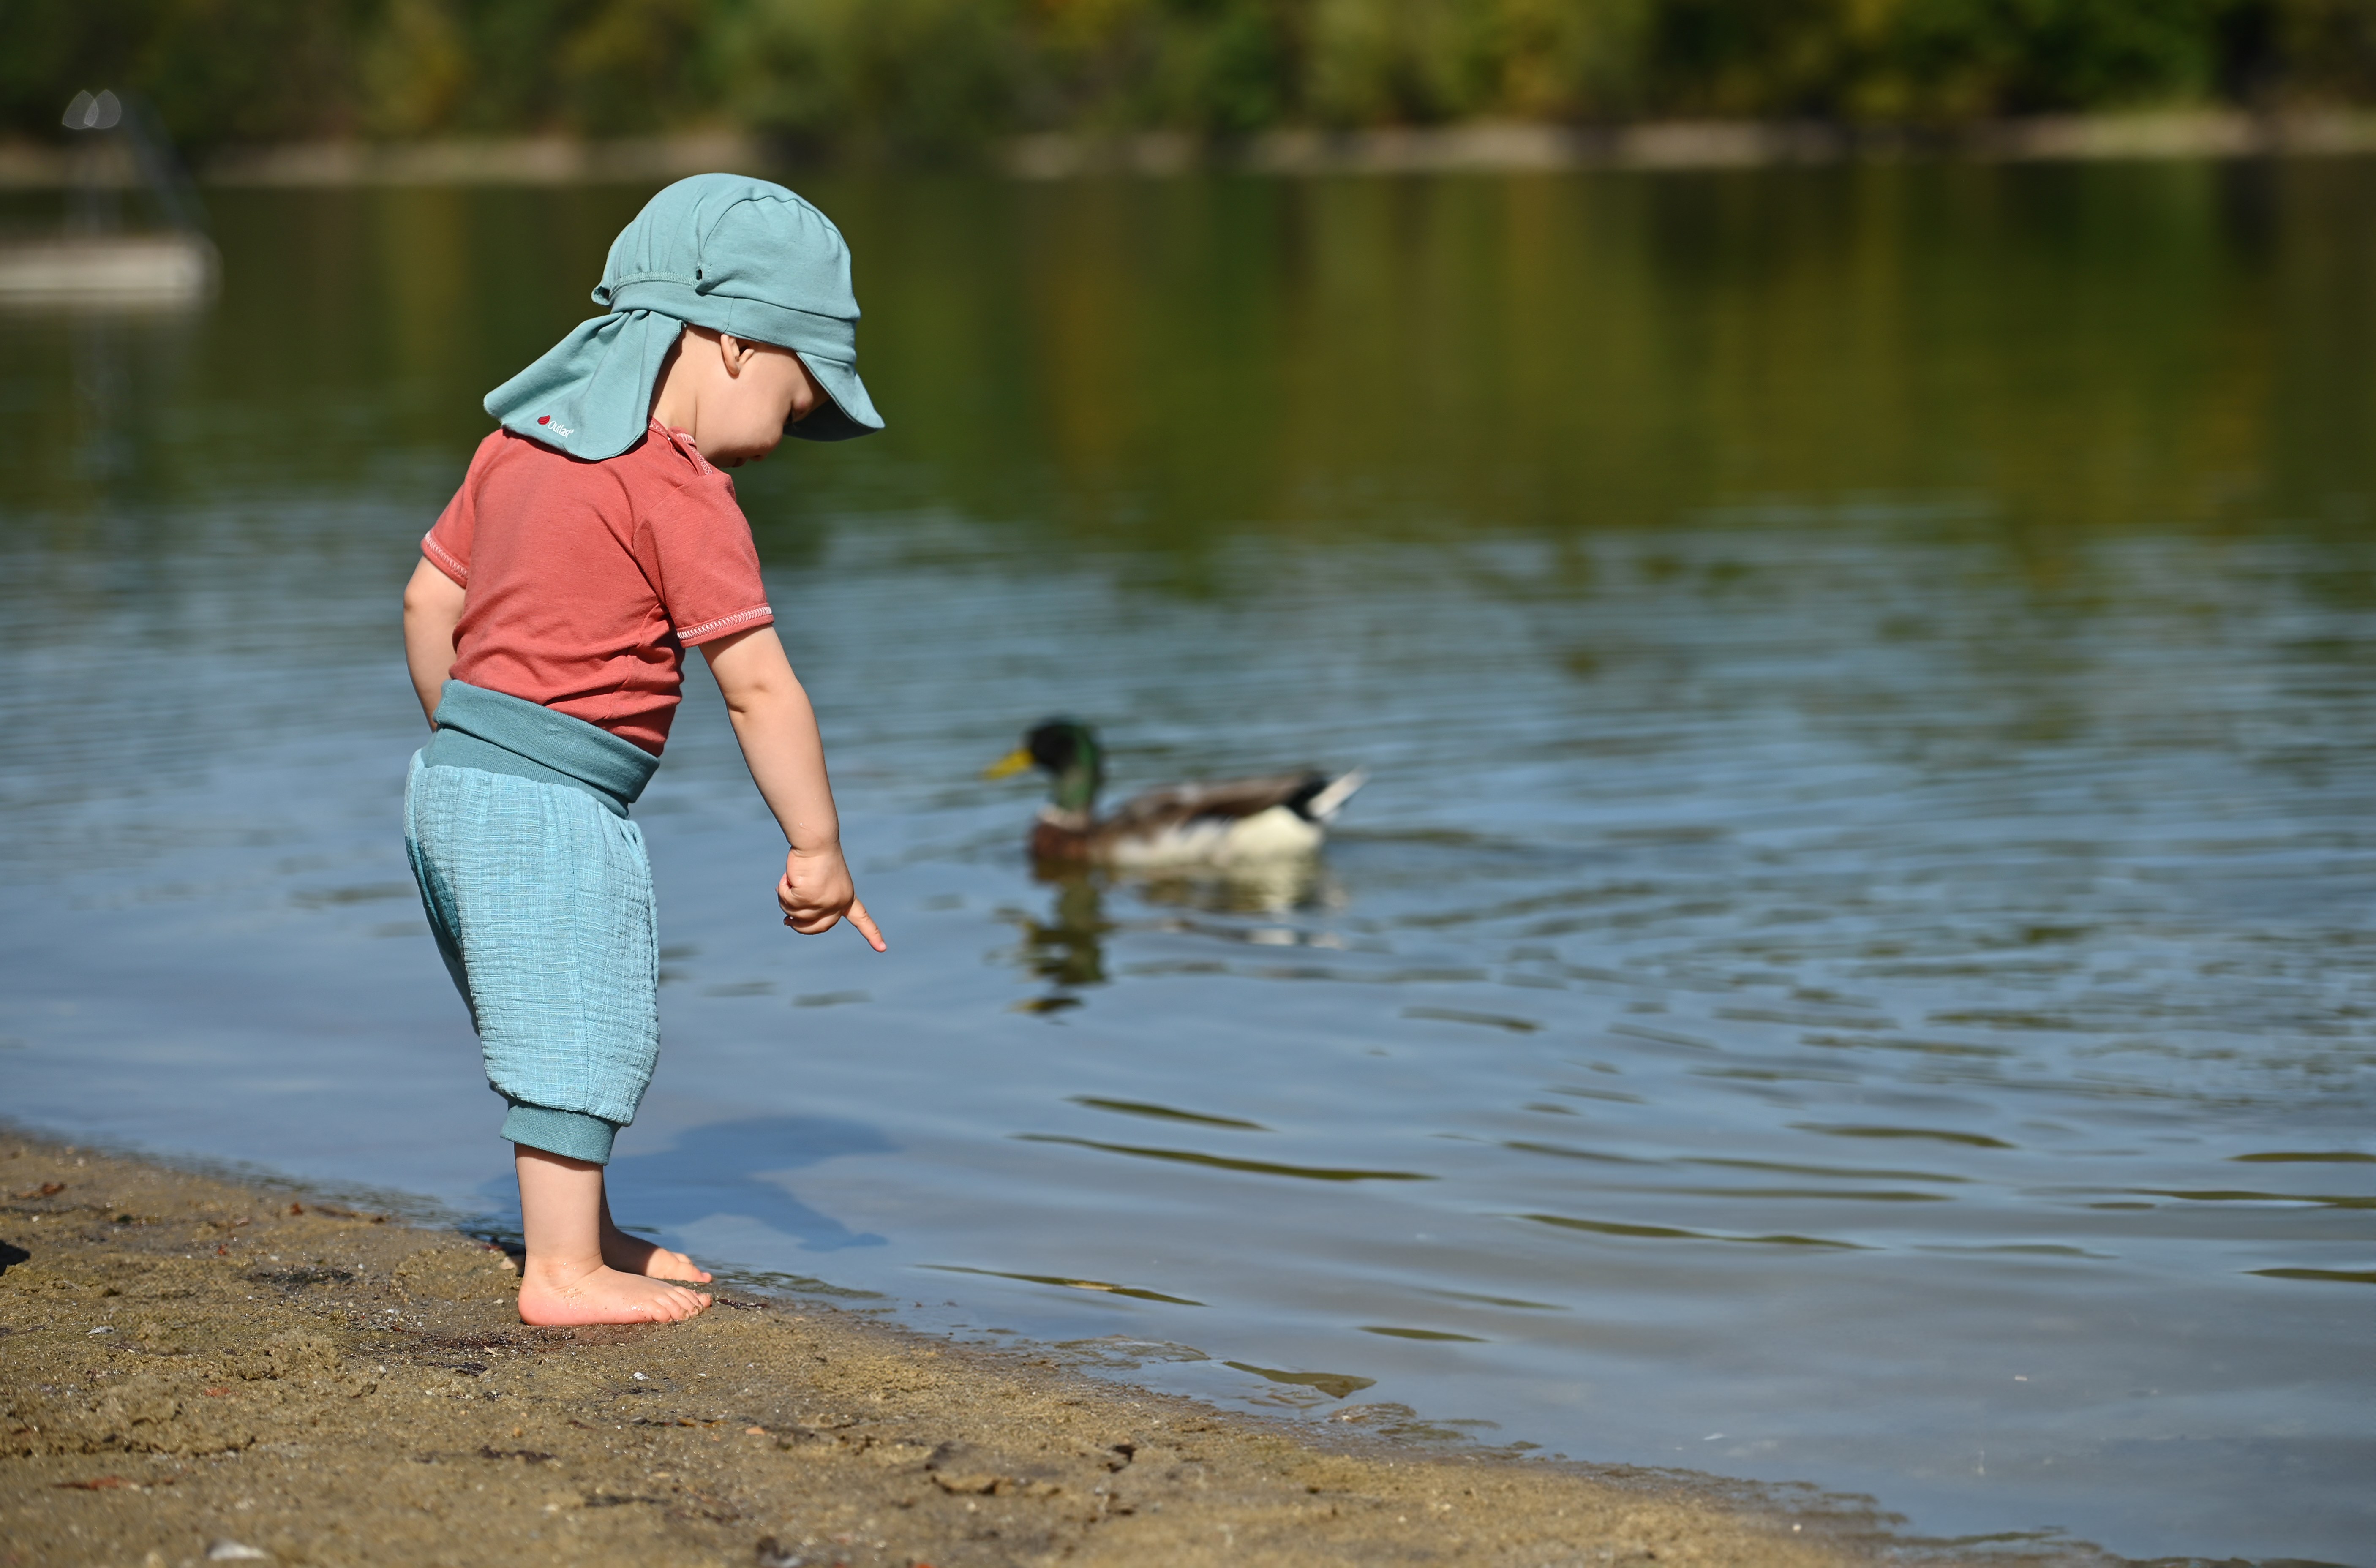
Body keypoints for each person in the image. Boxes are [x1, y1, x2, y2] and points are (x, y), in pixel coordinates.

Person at [399, 174, 887, 1327]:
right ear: (733, 343)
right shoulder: (679, 488)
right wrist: (818, 847)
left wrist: (470, 745)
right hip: (553, 799)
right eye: (799, 398)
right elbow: (758, 687)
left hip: (448, 783)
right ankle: (562, 1273)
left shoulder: (513, 449)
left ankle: (588, 1233)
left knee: (543, 1008)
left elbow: (428, 602)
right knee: (583, 1021)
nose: (789, 435)